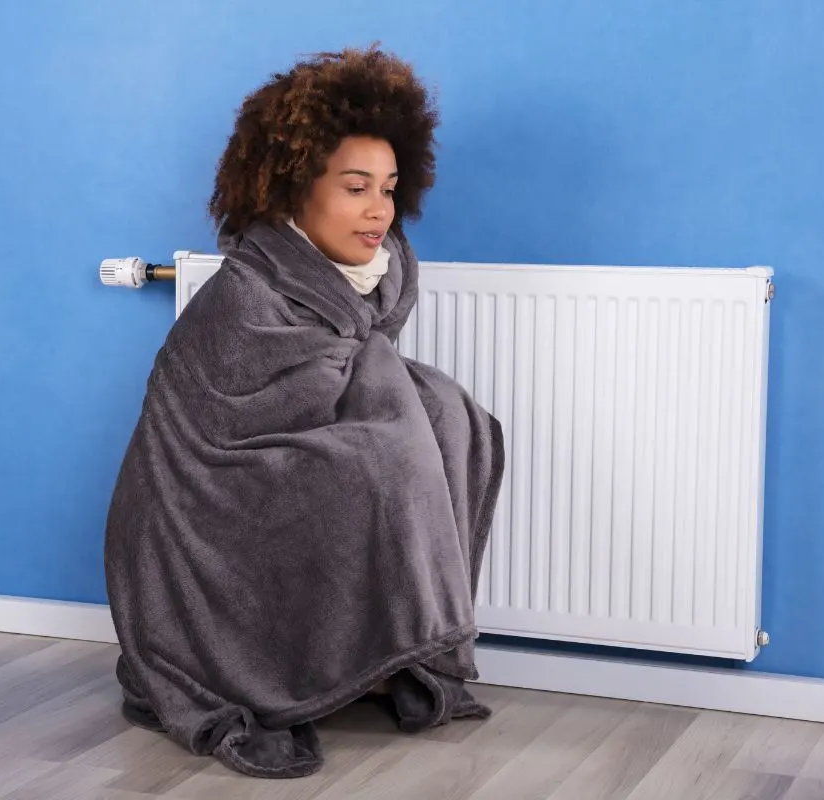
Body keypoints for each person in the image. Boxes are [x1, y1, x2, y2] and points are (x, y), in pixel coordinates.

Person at [104, 46, 505, 779]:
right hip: (206, 498)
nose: (379, 209)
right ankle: (273, 663)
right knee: (388, 452)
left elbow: (352, 374)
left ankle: (394, 656)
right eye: (356, 188)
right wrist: (381, 421)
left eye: (388, 188)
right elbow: (235, 441)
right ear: (294, 188)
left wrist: (397, 406)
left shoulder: (377, 272)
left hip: (289, 452)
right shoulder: (243, 297)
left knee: (448, 415)